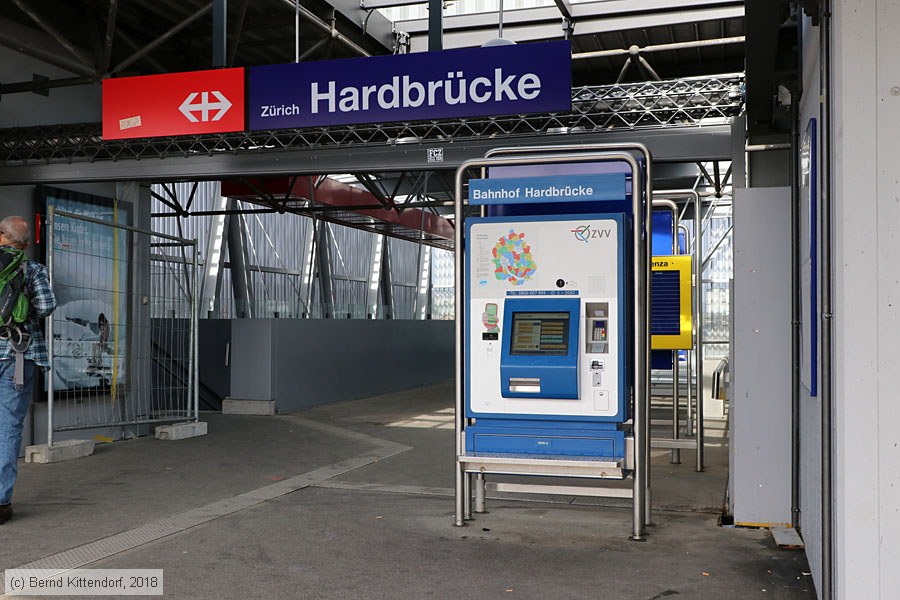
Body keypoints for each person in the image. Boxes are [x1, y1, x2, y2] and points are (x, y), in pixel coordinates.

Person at [0, 216, 56, 525]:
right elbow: (47, 307)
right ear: (25, 242)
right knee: (7, 429)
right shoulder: (32, 270)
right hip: (18, 356)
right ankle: (0, 502)